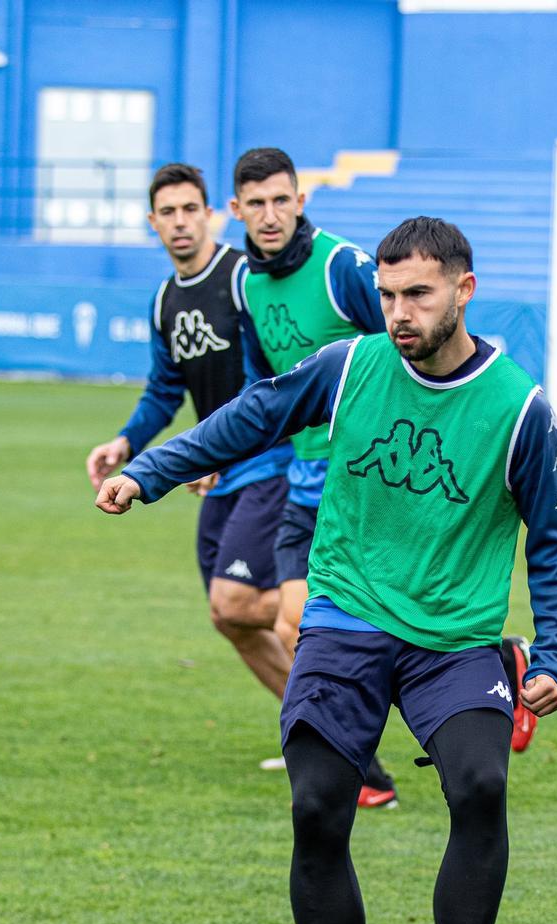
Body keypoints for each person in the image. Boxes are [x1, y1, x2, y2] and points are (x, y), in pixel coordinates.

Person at [95, 217, 557, 924]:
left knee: (479, 786)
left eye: (418, 295)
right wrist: (151, 471)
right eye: (389, 294)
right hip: (345, 622)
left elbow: (553, 537)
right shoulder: (350, 366)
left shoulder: (520, 407)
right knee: (317, 807)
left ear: (463, 292)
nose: (398, 312)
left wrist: (555, 656)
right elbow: (252, 418)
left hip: (456, 639)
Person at [229, 148, 537, 806]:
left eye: (281, 199)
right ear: (237, 211)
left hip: (369, 477)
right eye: (256, 203)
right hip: (305, 479)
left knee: (296, 620)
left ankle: (361, 757)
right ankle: (348, 755)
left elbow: (403, 359)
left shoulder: (341, 268)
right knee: (267, 615)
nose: (270, 214)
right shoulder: (247, 283)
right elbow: (266, 387)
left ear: (300, 200)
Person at [85, 162, 294, 709]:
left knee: (238, 602)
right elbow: (164, 389)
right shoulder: (164, 302)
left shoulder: (243, 278)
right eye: (168, 213)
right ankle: (345, 756)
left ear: (210, 215)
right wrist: (126, 443)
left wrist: (220, 448)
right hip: (217, 471)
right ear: (152, 222)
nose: (181, 222)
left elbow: (267, 378)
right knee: (232, 620)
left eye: (190, 210)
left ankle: (352, 628)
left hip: (269, 465)